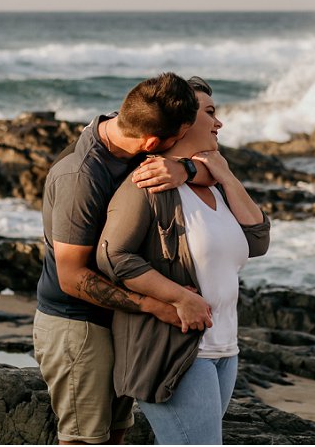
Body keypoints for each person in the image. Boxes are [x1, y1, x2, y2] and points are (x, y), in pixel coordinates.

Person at [34, 72, 215, 445]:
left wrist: (185, 168)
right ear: (153, 141)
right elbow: (72, 277)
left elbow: (215, 164)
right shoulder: (79, 177)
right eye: (177, 139)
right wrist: (156, 304)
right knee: (86, 439)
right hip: (77, 325)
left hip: (120, 320)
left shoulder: (133, 138)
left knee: (118, 433)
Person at [97, 76, 271, 445]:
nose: (219, 123)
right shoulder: (147, 184)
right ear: (185, 123)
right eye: (211, 113)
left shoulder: (212, 184)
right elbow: (113, 256)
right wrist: (179, 297)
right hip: (176, 350)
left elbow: (257, 240)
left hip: (225, 347)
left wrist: (221, 172)